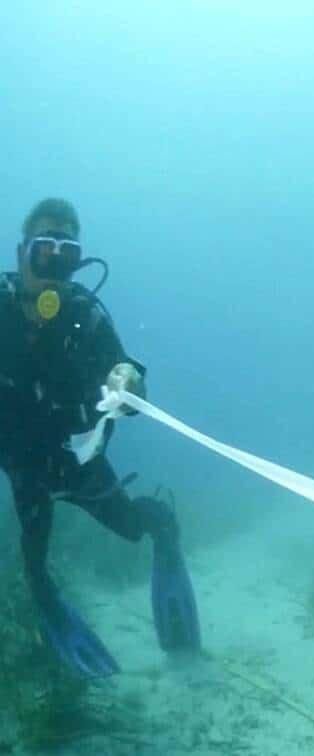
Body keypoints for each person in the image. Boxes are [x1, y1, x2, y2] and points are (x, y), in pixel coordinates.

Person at [0, 198, 200, 678]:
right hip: (23, 465)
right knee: (35, 565)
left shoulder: (86, 319)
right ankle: (60, 630)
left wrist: (128, 380)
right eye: (43, 250)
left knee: (132, 527)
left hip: (78, 461)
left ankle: (164, 530)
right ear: (21, 252)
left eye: (66, 254)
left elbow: (128, 384)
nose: (53, 264)